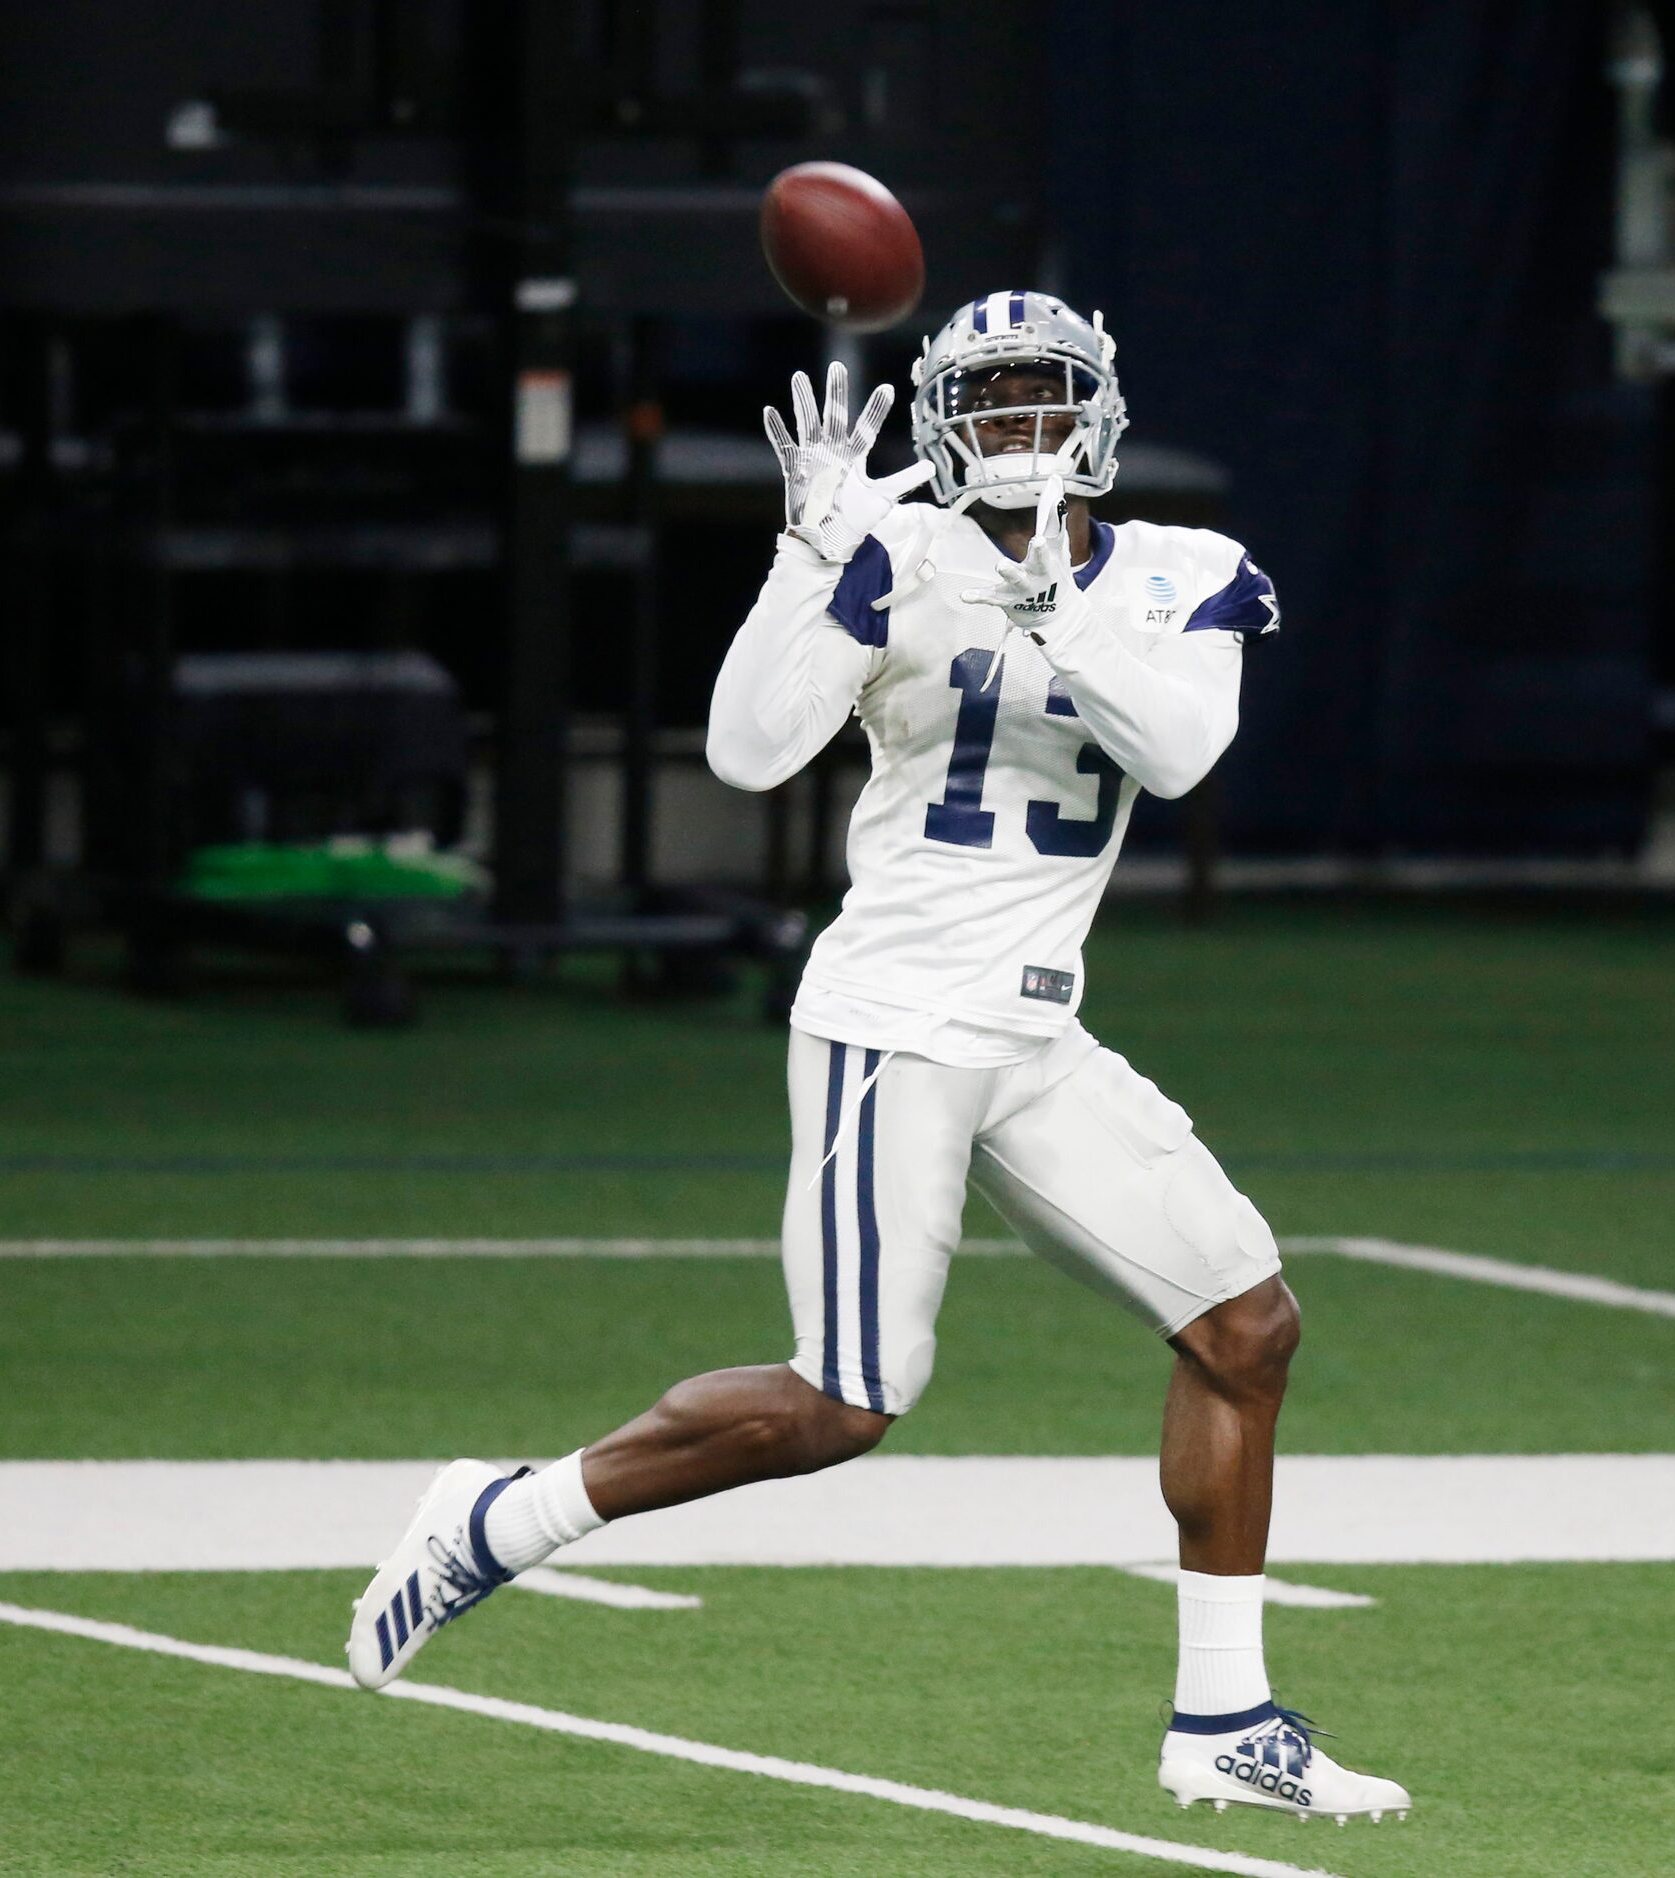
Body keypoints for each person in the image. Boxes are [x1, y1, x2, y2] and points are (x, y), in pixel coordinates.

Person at [345, 292, 1407, 1825]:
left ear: (1101, 415)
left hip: (1036, 1030)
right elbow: (745, 750)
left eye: (1049, 401)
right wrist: (808, 564)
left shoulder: (1190, 575)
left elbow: (1178, 754)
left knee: (1245, 1325)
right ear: (939, 422)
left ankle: (1222, 1715)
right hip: (897, 1020)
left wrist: (1055, 612)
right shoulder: (894, 555)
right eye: (993, 403)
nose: (1022, 433)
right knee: (845, 1402)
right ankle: (506, 1514)